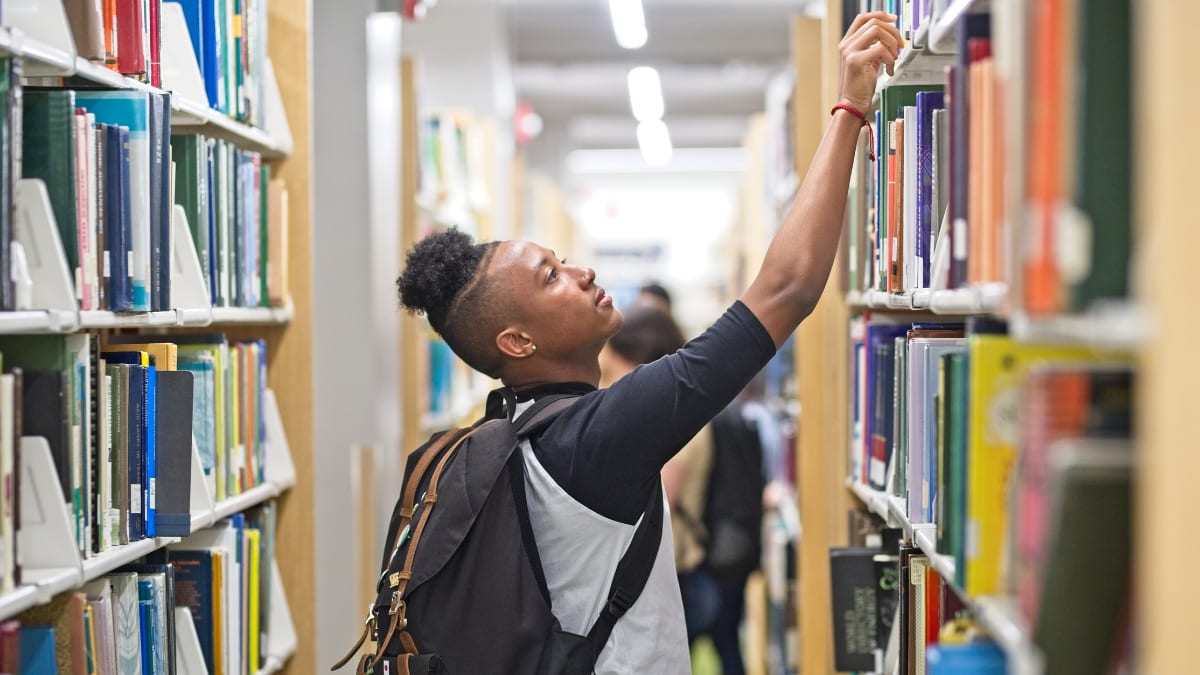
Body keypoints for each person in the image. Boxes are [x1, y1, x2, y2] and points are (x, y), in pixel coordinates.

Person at [393, 14, 900, 673]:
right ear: (517, 340)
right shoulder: (597, 434)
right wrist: (848, 108)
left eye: (564, 260)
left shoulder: (515, 430)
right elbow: (789, 288)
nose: (583, 273)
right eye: (552, 278)